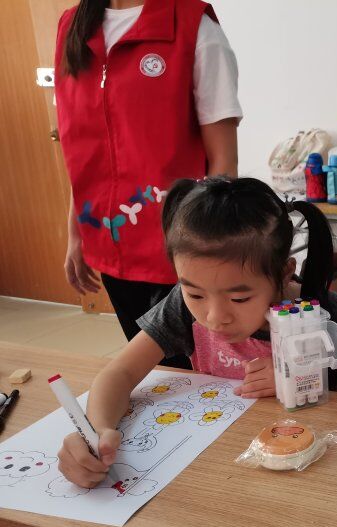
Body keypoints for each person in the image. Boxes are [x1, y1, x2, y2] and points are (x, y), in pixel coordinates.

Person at [56, 177, 337, 488]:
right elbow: (121, 372)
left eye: (239, 299)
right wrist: (97, 431)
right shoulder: (181, 307)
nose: (214, 317)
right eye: (195, 294)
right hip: (218, 470)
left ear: (285, 272)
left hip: (311, 470)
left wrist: (301, 378)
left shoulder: (320, 313)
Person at [55, 0, 242, 368]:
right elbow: (84, 150)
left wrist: (207, 253)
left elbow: (224, 164)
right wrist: (76, 233)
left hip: (179, 249)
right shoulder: (71, 27)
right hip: (109, 242)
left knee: (194, 373)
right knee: (152, 372)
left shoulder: (193, 26)